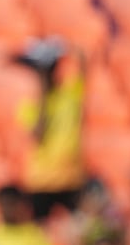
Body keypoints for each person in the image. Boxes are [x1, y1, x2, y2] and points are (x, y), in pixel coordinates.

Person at [15, 38, 86, 222]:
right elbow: (38, 135)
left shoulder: (70, 94)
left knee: (78, 227)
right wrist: (43, 97)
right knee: (39, 228)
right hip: (42, 179)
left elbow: (84, 66)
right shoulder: (29, 105)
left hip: (71, 176)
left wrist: (65, 46)